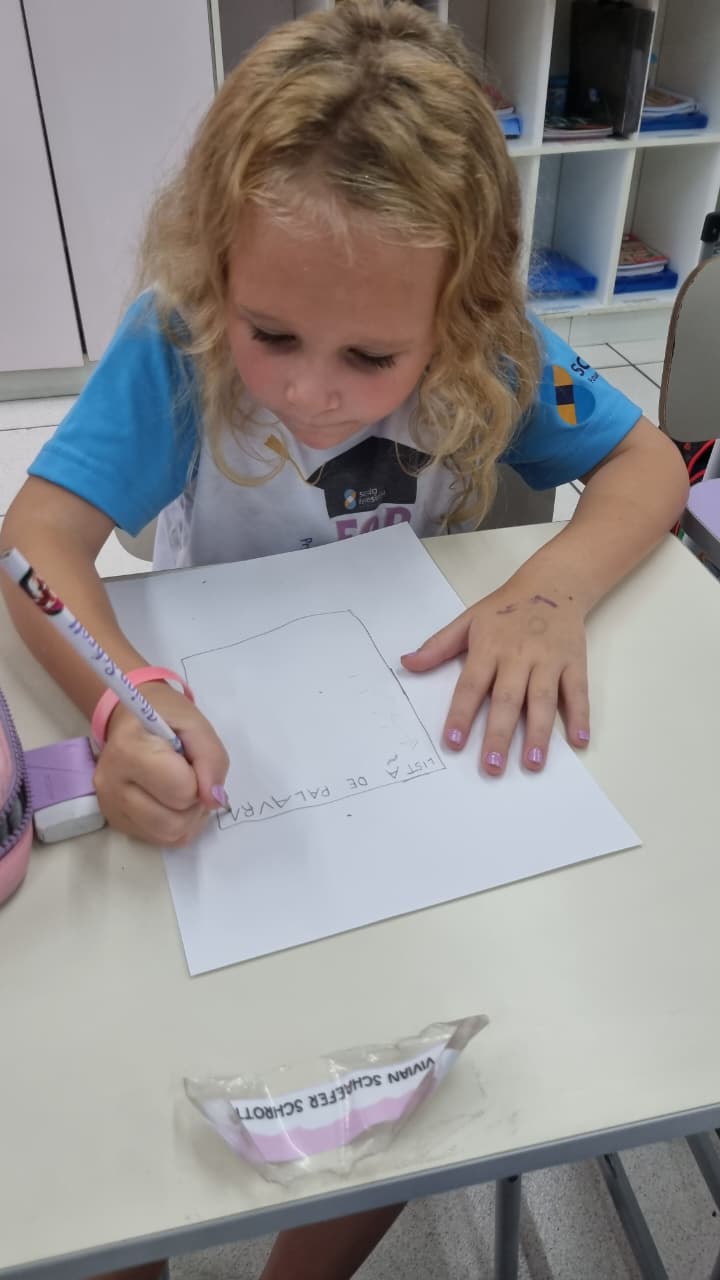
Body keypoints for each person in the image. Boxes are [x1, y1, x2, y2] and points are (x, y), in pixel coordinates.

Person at [0, 2, 687, 1278]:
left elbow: (648, 461)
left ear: (459, 309)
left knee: (416, 1042)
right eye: (272, 335)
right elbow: (37, 538)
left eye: (372, 355)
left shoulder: (493, 348)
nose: (311, 390)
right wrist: (120, 694)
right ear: (217, 271)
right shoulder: (177, 342)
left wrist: (549, 591)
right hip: (212, 754)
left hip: (405, 759)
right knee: (105, 1095)